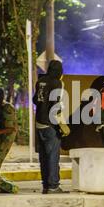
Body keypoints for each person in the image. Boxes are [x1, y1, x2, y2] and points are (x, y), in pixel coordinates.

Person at [34, 60, 70, 194]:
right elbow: (56, 105)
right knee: (53, 156)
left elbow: (35, 100)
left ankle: (46, 185)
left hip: (39, 123)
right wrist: (61, 124)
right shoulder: (57, 83)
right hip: (50, 124)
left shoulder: (40, 81)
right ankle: (53, 186)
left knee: (43, 157)